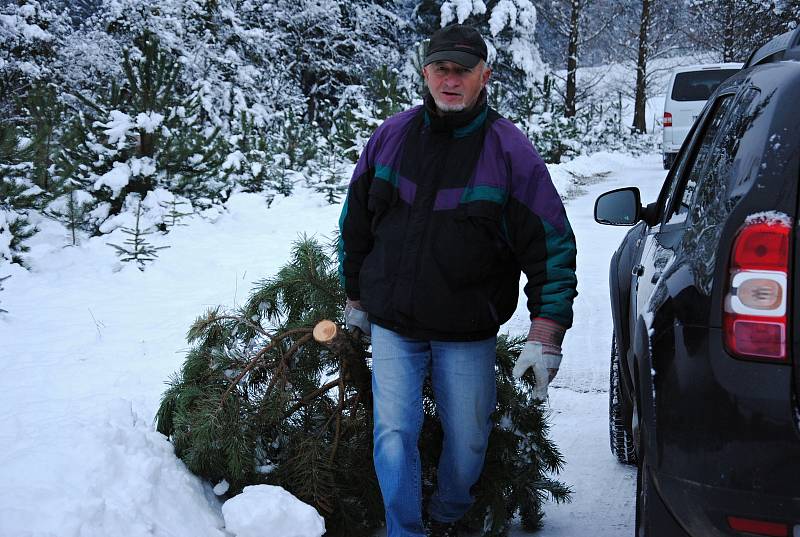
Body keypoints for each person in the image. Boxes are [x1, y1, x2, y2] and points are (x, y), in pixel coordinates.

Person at [338, 24, 577, 537]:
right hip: (395, 323)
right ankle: (406, 530)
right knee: (393, 433)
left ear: (484, 76)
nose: (450, 80)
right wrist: (355, 294)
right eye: (440, 69)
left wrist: (546, 331)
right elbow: (355, 222)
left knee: (468, 437)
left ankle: (447, 514)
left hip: (467, 329)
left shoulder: (509, 152)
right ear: (425, 73)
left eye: (462, 70)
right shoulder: (392, 136)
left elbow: (551, 243)